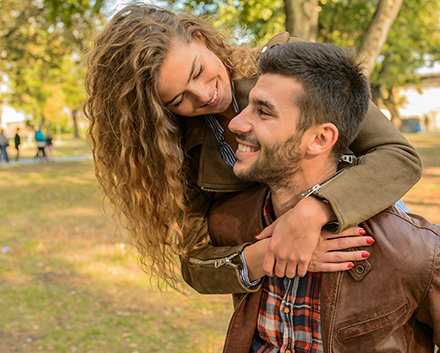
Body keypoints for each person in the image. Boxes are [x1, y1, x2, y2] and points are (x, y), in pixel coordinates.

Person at [84, 4, 422, 290]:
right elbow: (195, 261)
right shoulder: (177, 152)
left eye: (198, 71)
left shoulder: (285, 66)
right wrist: (272, 253)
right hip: (274, 298)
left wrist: (314, 211)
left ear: (200, 38)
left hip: (365, 262)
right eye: (178, 99)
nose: (203, 95)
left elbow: (398, 156)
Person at [207, 41, 440, 352]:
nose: (235, 123)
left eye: (263, 112)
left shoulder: (413, 251)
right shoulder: (231, 223)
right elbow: (193, 266)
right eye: (248, 105)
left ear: (319, 139)